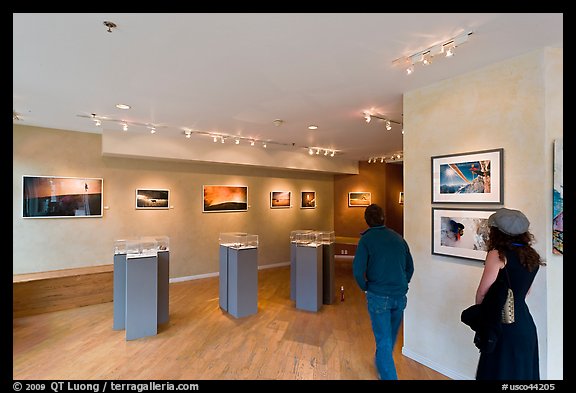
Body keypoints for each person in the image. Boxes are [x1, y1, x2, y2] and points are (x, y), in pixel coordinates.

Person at [474, 207, 545, 380]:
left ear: (497, 232)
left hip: (503, 325)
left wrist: (482, 320)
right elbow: (526, 292)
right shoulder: (531, 255)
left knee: (497, 372)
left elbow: (482, 295)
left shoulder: (497, 254)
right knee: (521, 374)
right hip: (525, 325)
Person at [352, 204, 414, 380]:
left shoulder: (366, 240)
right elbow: (410, 267)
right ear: (383, 218)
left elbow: (357, 271)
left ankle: (388, 374)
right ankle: (382, 362)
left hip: (379, 296)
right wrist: (403, 283)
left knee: (384, 339)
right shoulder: (398, 238)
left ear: (366, 220)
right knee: (390, 336)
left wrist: (365, 287)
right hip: (399, 296)